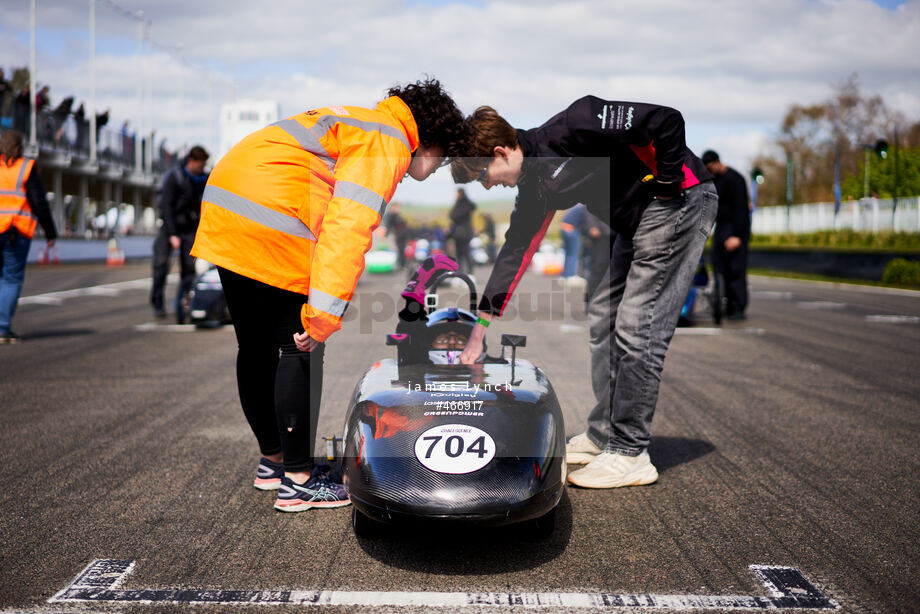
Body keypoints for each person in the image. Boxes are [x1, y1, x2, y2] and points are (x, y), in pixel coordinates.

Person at [191, 78, 466, 512]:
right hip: (274, 216)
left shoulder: (364, 120)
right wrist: (322, 318)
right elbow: (347, 230)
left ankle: (274, 461)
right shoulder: (388, 141)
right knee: (299, 347)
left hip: (228, 207)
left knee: (255, 347)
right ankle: (299, 481)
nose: (436, 166)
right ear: (429, 141)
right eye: (443, 156)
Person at [452, 97, 716, 489]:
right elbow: (515, 253)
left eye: (483, 175)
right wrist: (479, 327)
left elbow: (665, 119)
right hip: (637, 224)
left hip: (678, 203)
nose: (488, 184)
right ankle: (604, 434)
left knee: (636, 326)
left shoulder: (577, 122)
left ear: (501, 152)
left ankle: (630, 452)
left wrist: (669, 178)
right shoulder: (535, 186)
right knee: (603, 316)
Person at [0, 130, 58, 344]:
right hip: (15, 231)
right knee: (11, 278)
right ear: (20, 147)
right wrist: (50, 233)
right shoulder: (25, 167)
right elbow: (39, 203)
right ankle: (2, 328)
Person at [150, 145, 209, 322]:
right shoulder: (174, 177)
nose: (202, 169)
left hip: (190, 228)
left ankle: (183, 303)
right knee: (160, 266)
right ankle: (157, 302)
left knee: (189, 269)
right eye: (200, 165)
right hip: (170, 227)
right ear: (191, 161)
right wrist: (172, 234)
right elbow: (166, 206)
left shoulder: (203, 179)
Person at [701, 150, 751, 320]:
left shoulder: (735, 179)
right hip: (721, 228)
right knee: (718, 267)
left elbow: (742, 210)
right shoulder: (715, 181)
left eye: (709, 168)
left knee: (735, 270)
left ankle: (737, 308)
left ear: (716, 163)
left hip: (735, 229)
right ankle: (725, 304)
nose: (708, 171)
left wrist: (736, 236)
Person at [448, 187, 476, 275]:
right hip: (459, 233)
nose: (456, 195)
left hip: (463, 233)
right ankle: (460, 272)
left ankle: (470, 273)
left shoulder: (464, 205)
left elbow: (454, 216)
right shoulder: (460, 204)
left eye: (457, 193)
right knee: (459, 254)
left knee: (465, 253)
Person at [559, 203, 586, 281]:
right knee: (573, 253)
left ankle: (565, 275)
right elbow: (586, 223)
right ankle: (571, 275)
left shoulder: (576, 207)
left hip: (564, 228)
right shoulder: (583, 208)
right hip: (571, 230)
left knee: (568, 254)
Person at [383, 201, 410, 269]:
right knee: (394, 250)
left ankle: (402, 265)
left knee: (401, 250)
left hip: (402, 236)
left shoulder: (398, 216)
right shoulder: (390, 216)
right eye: (397, 207)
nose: (398, 209)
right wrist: (388, 235)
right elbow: (388, 226)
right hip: (395, 236)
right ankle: (395, 265)